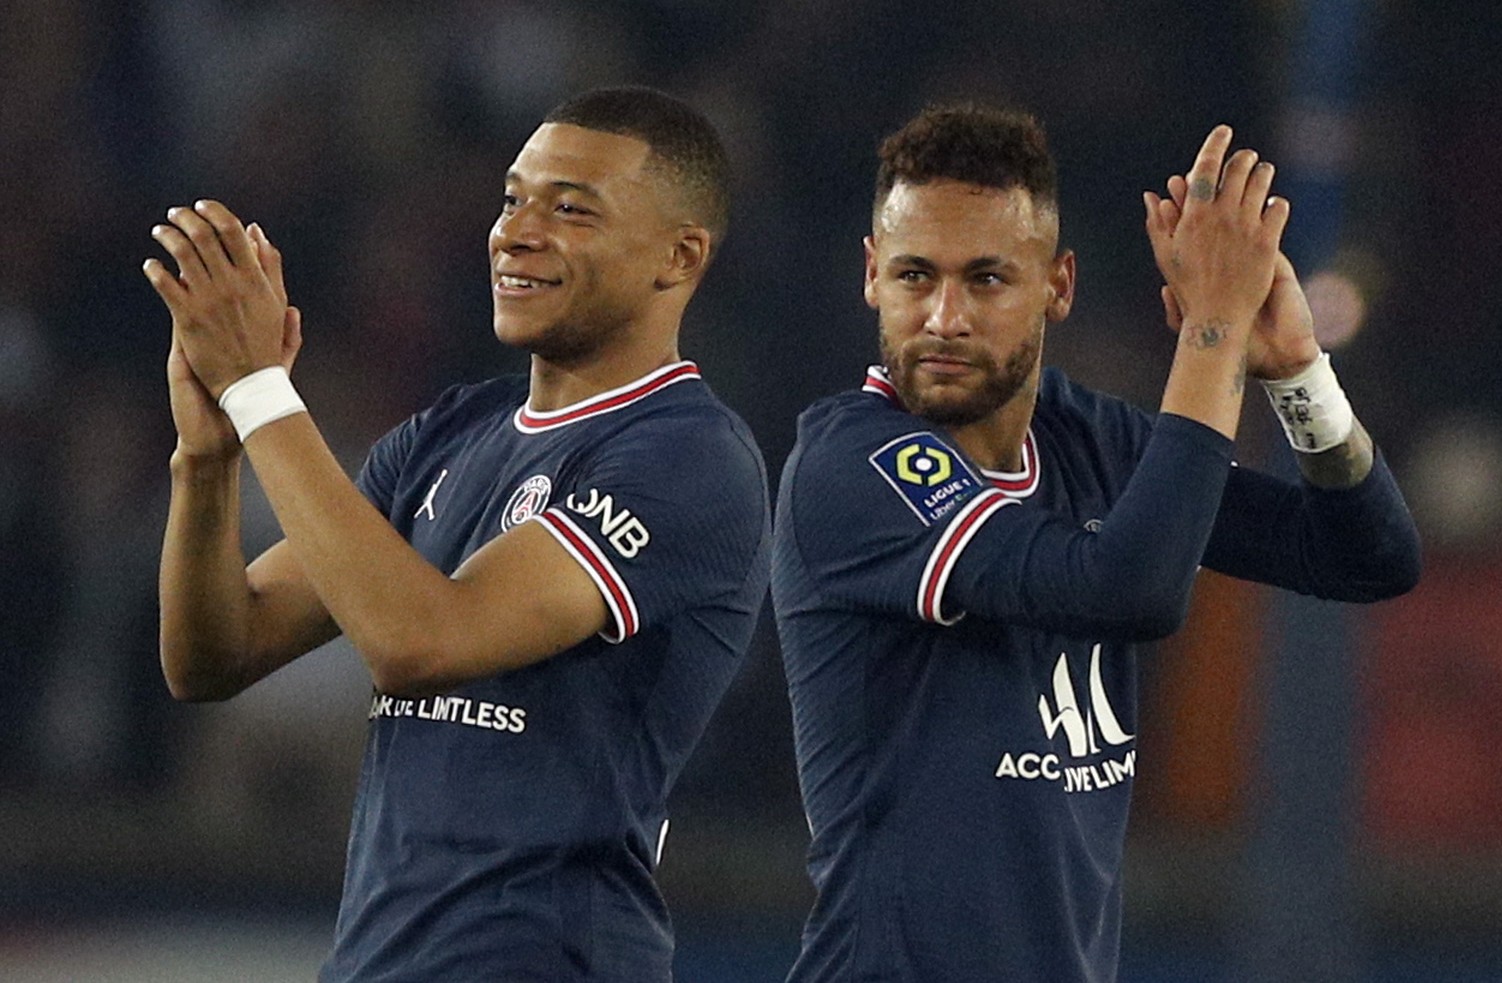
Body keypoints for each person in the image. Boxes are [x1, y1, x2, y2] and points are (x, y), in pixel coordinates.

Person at [771, 104, 1420, 982]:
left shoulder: (1085, 440)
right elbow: (1131, 589)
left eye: (988, 279)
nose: (944, 316)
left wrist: (1300, 373)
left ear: (1059, 285)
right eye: (915, 275)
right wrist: (1212, 332)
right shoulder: (850, 463)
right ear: (871, 276)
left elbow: (1367, 556)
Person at [142, 86, 771, 982]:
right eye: (513, 198)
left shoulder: (690, 458)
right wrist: (206, 462)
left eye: (571, 210)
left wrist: (260, 391)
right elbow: (213, 654)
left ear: (679, 256)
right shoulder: (449, 434)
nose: (517, 231)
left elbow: (422, 640)